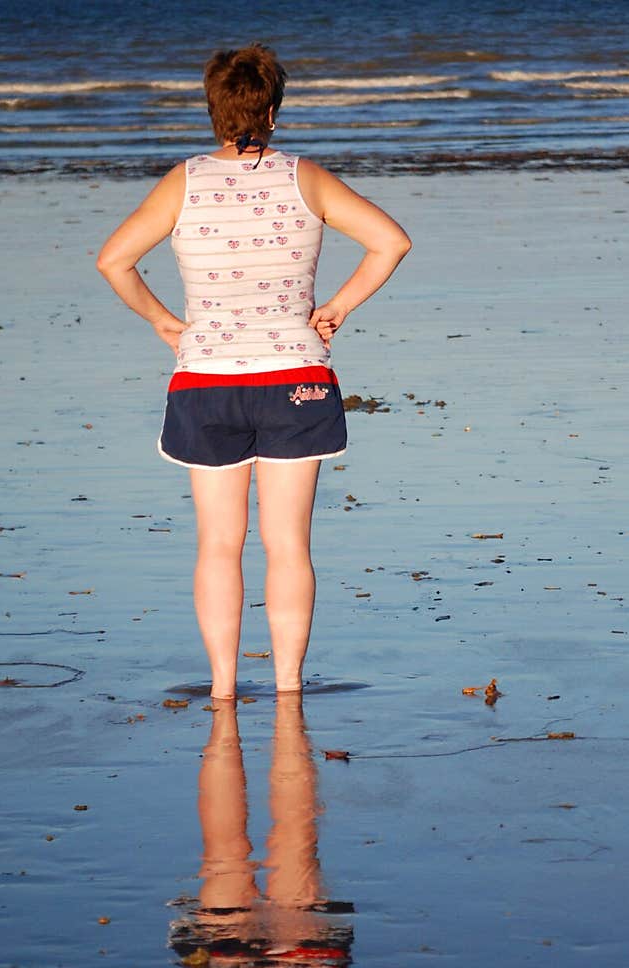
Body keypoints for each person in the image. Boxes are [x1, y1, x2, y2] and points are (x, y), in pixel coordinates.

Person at [97, 43, 411, 700]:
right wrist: (338, 308)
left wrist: (161, 320)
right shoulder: (306, 177)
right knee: (288, 543)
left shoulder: (183, 182)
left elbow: (113, 261)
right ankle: (290, 686)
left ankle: (220, 688)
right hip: (294, 379)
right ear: (271, 112)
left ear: (213, 110)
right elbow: (391, 241)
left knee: (218, 544)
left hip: (206, 381)